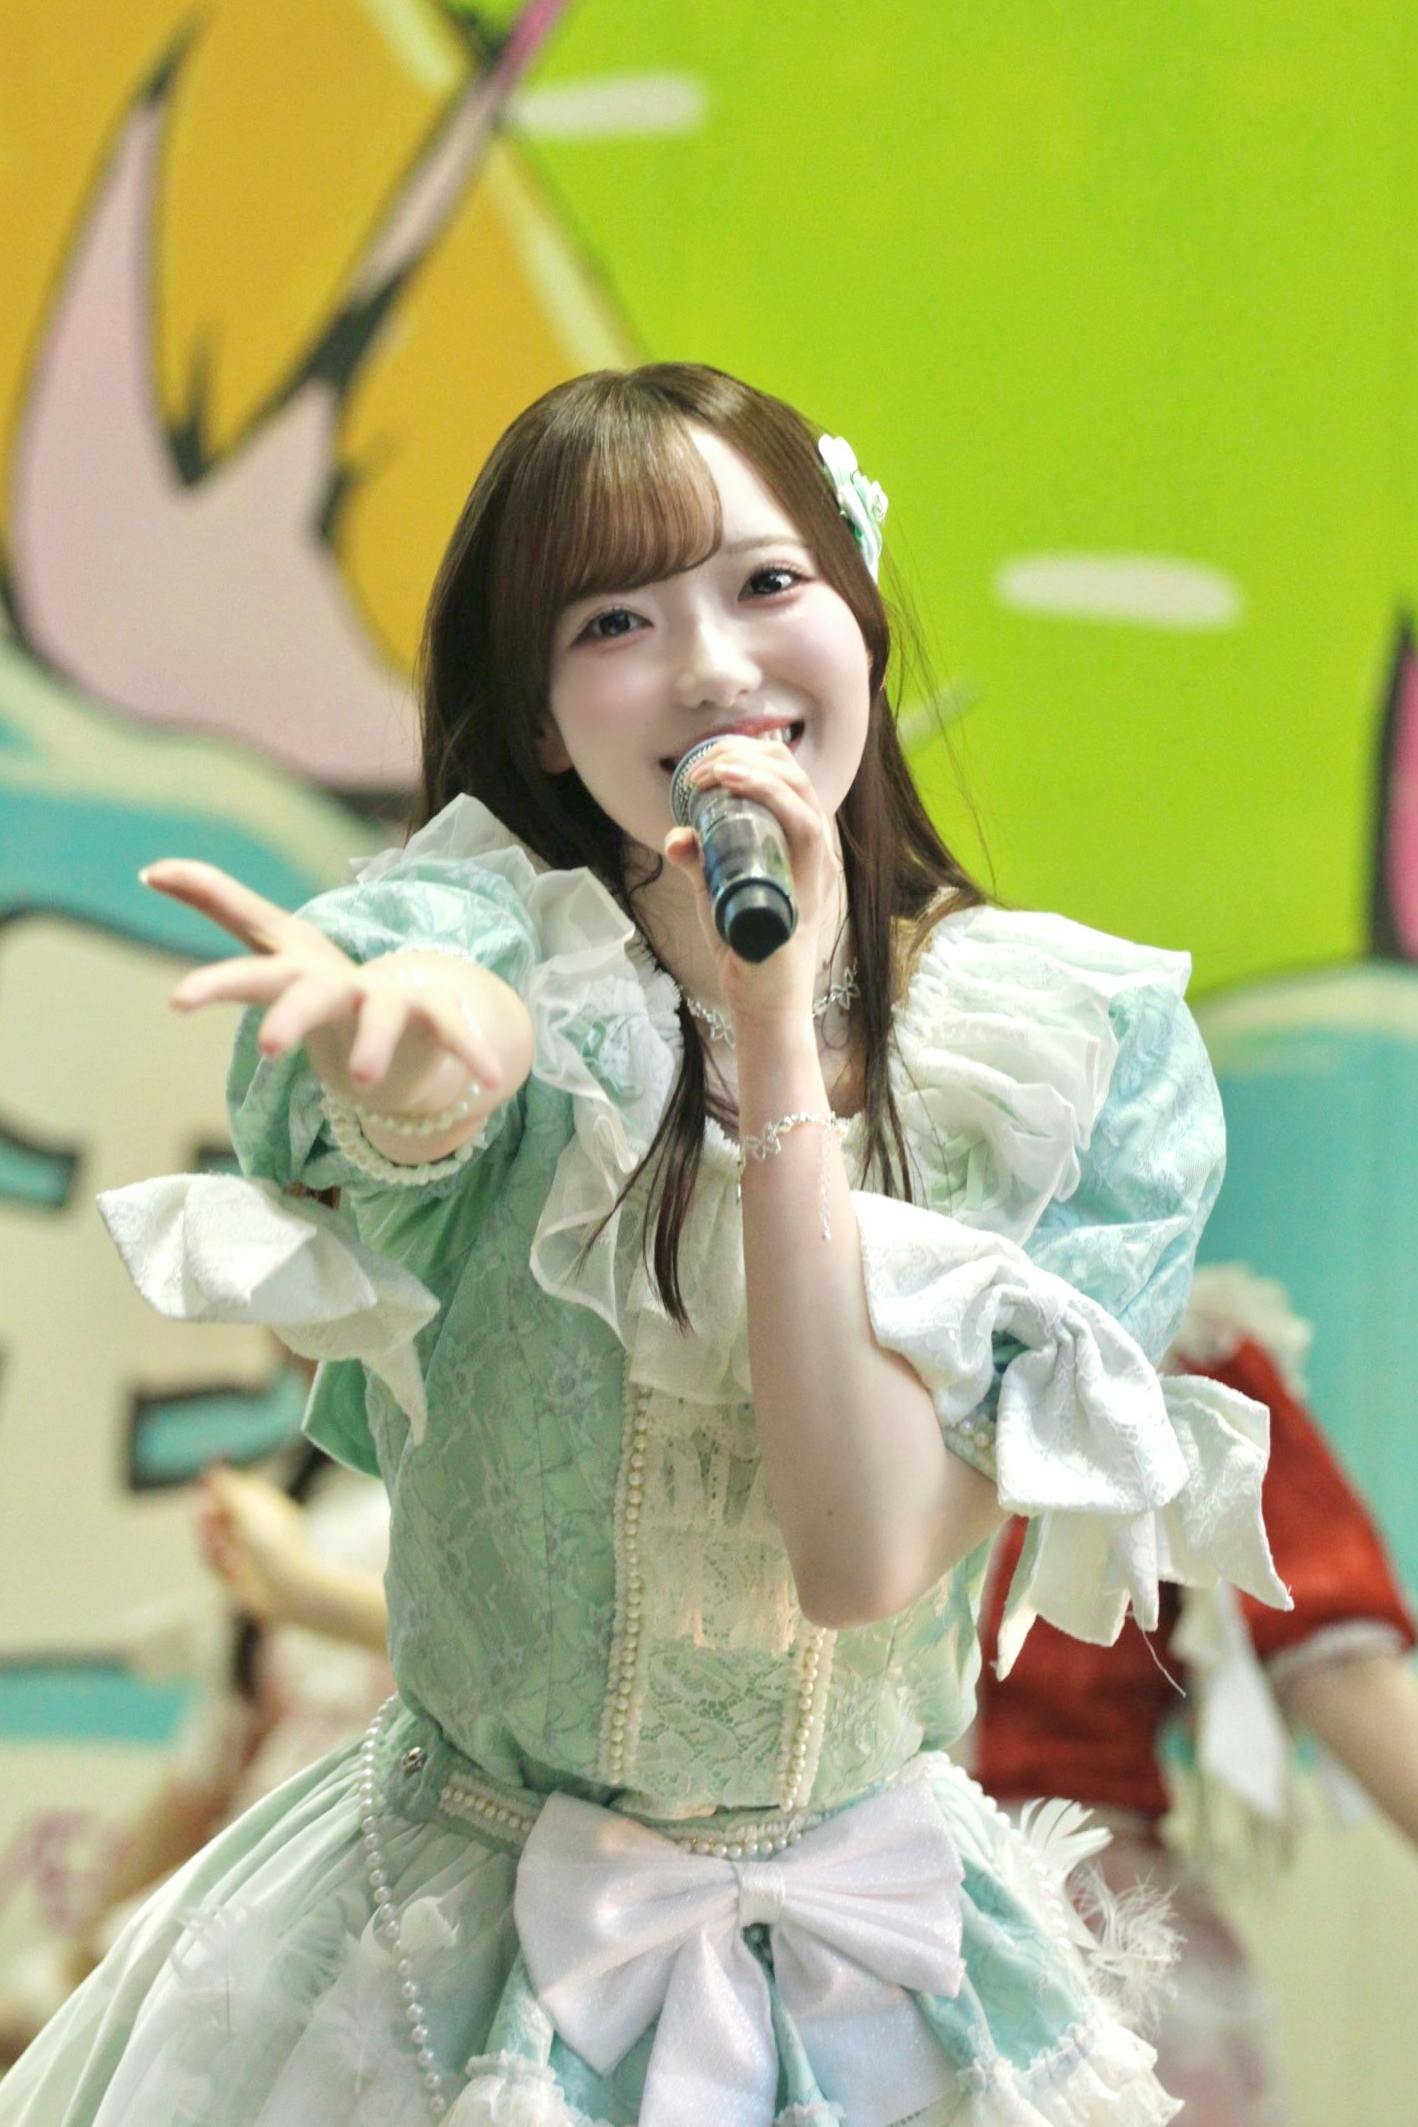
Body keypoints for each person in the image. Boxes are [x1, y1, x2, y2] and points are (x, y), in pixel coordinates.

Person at [2, 363, 1288, 2126]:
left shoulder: (1064, 1060)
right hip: (449, 1963)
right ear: (541, 720)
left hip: (886, 1978)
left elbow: (860, 1550)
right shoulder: (496, 951)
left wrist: (771, 1029)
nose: (709, 665)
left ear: (858, 613)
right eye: (615, 619)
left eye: (766, 582)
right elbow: (436, 1009)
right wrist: (428, 1072)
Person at [969, 1265, 1418, 2127]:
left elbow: (1338, 1659)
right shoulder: (830, 1315)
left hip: (1081, 1948)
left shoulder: (1171, 1351)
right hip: (850, 1918)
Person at [0, 1447, 392, 2072]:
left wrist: (301, 1586)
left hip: (374, 1953)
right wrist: (68, 1975)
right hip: (232, 1926)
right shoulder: (308, 1491)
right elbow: (207, 1779)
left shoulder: (456, 1496)